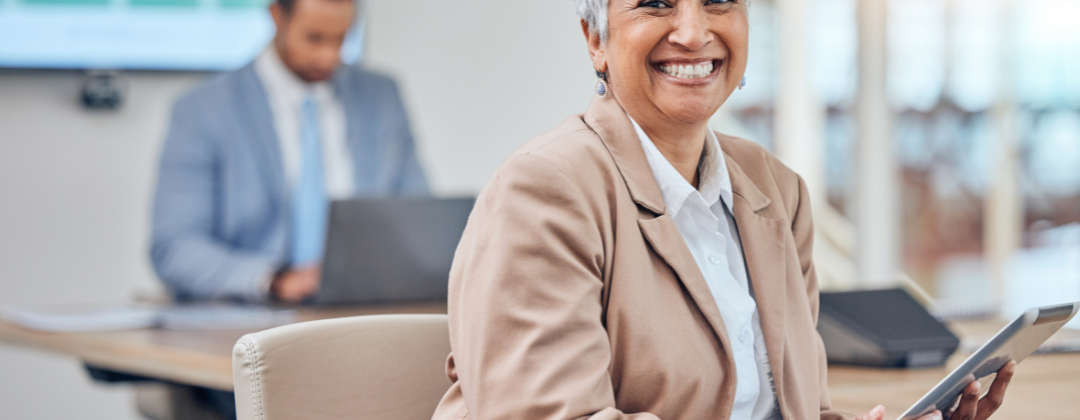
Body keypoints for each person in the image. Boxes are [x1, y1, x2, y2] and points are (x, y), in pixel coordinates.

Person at [431, 1, 1014, 419]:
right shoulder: (543, 190)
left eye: (719, 2)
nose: (693, 32)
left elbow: (793, 408)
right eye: (656, 5)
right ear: (595, 39)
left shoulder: (774, 188)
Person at [150, 0, 428, 304]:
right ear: (276, 16)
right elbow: (174, 248)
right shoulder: (204, 109)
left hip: (360, 309)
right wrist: (273, 281)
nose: (329, 56)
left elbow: (418, 220)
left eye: (341, 39)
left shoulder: (381, 98)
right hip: (251, 315)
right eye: (314, 38)